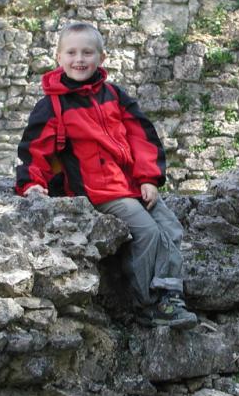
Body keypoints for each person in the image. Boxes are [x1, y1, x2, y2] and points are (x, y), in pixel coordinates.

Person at [15, 22, 197, 329]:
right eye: (71, 53)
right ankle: (147, 304)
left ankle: (170, 296)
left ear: (102, 57)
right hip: (96, 191)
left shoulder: (115, 95)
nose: (79, 59)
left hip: (130, 185)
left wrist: (148, 178)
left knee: (170, 227)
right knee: (147, 232)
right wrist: (32, 183)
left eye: (87, 52)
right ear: (59, 57)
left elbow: (141, 136)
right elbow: (35, 149)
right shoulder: (52, 106)